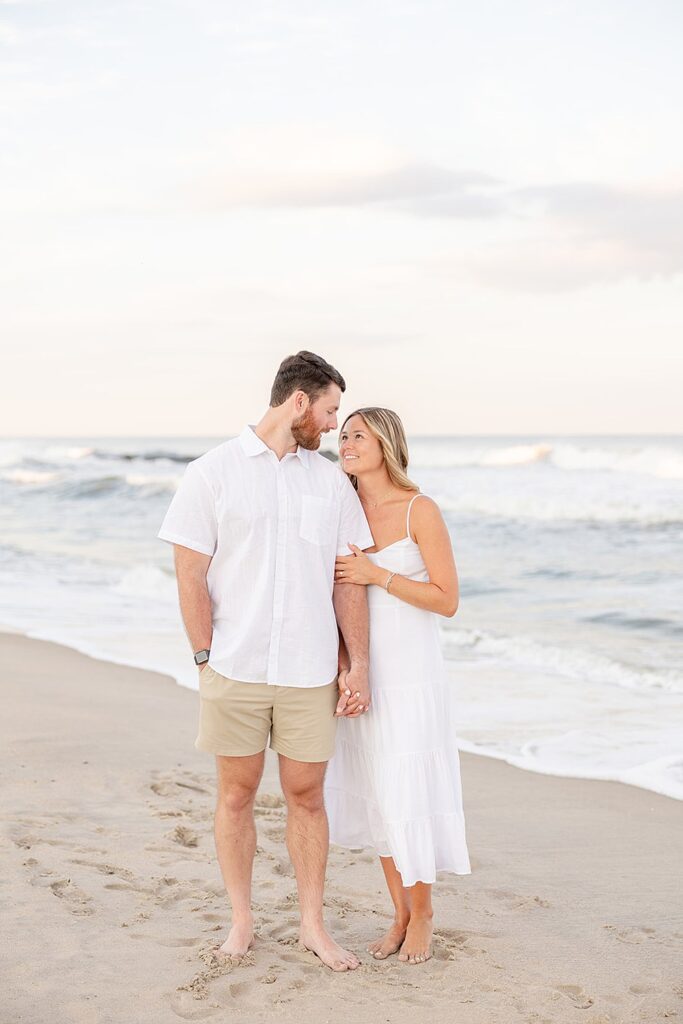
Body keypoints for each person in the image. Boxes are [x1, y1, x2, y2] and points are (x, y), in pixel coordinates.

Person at [158, 352, 374, 972]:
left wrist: (355, 663)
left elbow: (346, 580)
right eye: (330, 410)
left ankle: (312, 924)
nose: (334, 425)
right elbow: (190, 574)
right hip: (236, 665)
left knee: (307, 795)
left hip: (308, 670)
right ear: (299, 403)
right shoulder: (213, 473)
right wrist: (204, 656)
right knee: (236, 794)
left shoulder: (329, 482)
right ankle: (242, 921)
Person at [325, 407, 471, 965]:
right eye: (343, 435)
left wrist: (378, 575)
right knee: (381, 793)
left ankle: (424, 913)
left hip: (413, 674)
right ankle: (400, 913)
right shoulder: (344, 509)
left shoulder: (419, 509)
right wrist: (344, 666)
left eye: (357, 434)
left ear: (385, 443)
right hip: (364, 670)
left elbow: (447, 599)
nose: (346, 442)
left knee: (410, 789)